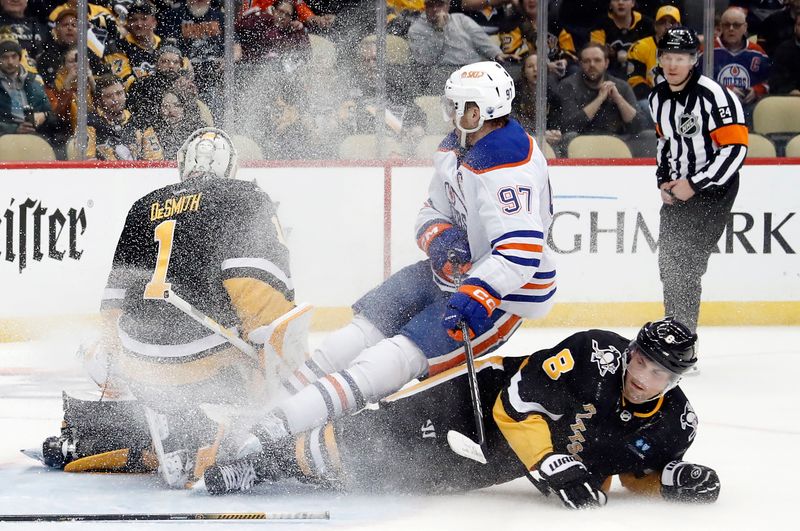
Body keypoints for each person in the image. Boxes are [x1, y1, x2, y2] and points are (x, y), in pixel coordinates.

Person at [223, 60, 556, 467]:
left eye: (456, 106)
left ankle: (279, 425)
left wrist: (480, 292)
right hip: (446, 274)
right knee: (359, 331)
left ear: (477, 112)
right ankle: (277, 402)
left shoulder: (507, 167)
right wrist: (440, 237)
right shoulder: (456, 147)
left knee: (388, 360)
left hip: (500, 297)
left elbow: (522, 251)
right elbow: (430, 211)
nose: (448, 113)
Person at [204, 318, 720, 514]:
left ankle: (290, 469)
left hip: (504, 461)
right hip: (477, 402)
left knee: (390, 475)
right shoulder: (593, 352)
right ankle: (254, 458)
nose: (642, 375)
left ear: (675, 380)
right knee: (377, 434)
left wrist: (672, 482)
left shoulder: (676, 423)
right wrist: (549, 462)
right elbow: (516, 401)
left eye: (659, 372)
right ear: (631, 351)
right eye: (641, 360)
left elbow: (636, 473)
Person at [37, 127, 305, 490]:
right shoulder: (245, 195)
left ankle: (157, 428)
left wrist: (121, 373)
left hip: (144, 372)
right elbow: (260, 295)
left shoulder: (143, 205)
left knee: (93, 352)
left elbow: (113, 305)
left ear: (181, 165)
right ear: (231, 166)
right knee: (279, 366)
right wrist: (270, 366)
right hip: (210, 371)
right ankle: (213, 435)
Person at [648, 27, 748, 333]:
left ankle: (683, 336)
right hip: (679, 190)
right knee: (669, 262)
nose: (673, 64)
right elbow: (665, 144)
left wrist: (694, 184)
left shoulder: (715, 96)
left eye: (681, 57)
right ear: (660, 58)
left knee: (686, 263)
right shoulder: (657, 98)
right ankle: (674, 331)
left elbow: (735, 149)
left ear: (694, 60)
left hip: (715, 191)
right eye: (668, 56)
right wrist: (664, 181)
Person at [408, 0, 513, 92]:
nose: (435, 9)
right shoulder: (416, 30)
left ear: (448, 5)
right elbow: (426, 60)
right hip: (442, 73)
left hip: (473, 68)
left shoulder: (460, 19)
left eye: (440, 4)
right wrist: (439, 31)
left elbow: (480, 39)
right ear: (425, 6)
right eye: (431, 5)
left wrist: (497, 53)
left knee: (502, 77)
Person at [559, 42, 643, 140]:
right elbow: (570, 126)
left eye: (597, 60)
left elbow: (638, 126)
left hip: (616, 141)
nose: (592, 65)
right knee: (569, 137)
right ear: (581, 64)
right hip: (581, 142)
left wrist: (618, 99)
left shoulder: (621, 86)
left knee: (648, 136)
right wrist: (600, 99)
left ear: (606, 63)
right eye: (586, 61)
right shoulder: (568, 86)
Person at [713, 7, 771, 126]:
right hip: (716, 109)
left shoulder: (757, 52)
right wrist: (724, 90)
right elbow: (697, 81)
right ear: (721, 27)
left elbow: (769, 81)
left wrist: (756, 91)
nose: (731, 29)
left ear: (745, 27)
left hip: (748, 109)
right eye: (727, 25)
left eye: (736, 25)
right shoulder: (708, 51)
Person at [86, 73, 164, 160]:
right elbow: (87, 162)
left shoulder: (141, 123)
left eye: (119, 93)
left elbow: (155, 160)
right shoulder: (91, 124)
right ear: (99, 101)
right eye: (108, 96)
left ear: (125, 94)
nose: (115, 100)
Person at [627, 5, 681, 107]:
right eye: (662, 22)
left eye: (672, 23)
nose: (667, 27)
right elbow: (635, 82)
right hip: (649, 101)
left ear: (679, 27)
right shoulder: (640, 47)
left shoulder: (686, 50)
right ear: (655, 26)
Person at [589, 0, 654, 79]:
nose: (620, 2)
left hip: (641, 74)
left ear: (633, 3)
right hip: (610, 74)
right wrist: (605, 52)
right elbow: (595, 55)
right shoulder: (601, 25)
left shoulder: (647, 24)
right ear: (610, 4)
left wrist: (617, 54)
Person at [768, 12, 800, 96]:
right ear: (795, 28)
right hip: (788, 97)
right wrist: (790, 90)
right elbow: (776, 79)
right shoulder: (783, 49)